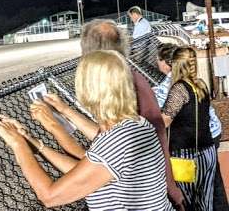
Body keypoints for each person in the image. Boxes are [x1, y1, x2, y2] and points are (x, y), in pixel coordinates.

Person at [0, 50, 171, 210]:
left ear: (88, 89)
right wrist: (32, 142)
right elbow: (86, 171)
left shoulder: (117, 141)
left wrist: (17, 144)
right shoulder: (135, 124)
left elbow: (50, 196)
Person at [33, 19, 185, 208]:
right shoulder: (129, 85)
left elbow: (107, 152)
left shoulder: (124, 88)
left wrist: (33, 136)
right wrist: (64, 113)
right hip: (156, 188)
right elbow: (104, 150)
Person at [161, 47, 224, 211]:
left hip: (186, 155)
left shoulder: (179, 89)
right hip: (207, 151)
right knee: (206, 201)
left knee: (187, 202)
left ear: (176, 64)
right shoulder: (201, 85)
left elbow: (164, 121)